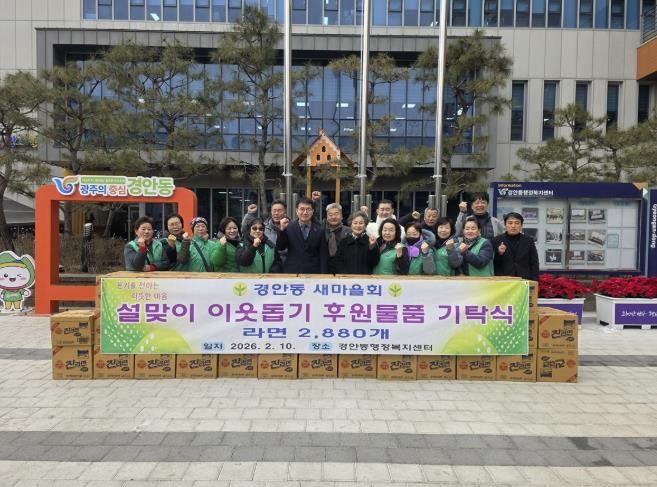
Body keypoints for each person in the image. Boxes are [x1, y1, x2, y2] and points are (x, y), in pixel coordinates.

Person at [275, 197, 328, 274]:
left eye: (308, 209)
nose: (305, 212)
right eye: (302, 209)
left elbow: (323, 255)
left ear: (312, 211)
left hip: (313, 272)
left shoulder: (319, 230)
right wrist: (282, 230)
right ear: (297, 211)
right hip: (292, 271)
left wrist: (324, 274)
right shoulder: (289, 227)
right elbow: (280, 247)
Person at [491, 212, 540, 280]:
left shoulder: (529, 241)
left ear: (521, 225)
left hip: (524, 278)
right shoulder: (496, 240)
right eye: (510, 223)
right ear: (505, 225)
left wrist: (534, 280)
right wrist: (499, 253)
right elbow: (492, 263)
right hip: (503, 279)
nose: (513, 226)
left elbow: (534, 262)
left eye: (517, 223)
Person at [321, 202, 350, 274]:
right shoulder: (321, 231)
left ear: (341, 216)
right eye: (330, 215)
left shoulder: (349, 231)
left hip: (345, 268)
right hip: (325, 268)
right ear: (327, 217)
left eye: (336, 214)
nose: (333, 217)